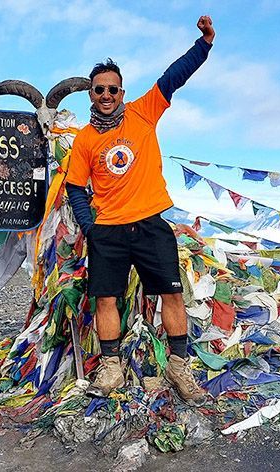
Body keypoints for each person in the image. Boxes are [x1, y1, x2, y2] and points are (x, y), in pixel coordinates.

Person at [65, 16, 215, 405]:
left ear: (121, 91)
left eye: (113, 88)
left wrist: (204, 45)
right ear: (91, 95)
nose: (106, 94)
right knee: (105, 299)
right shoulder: (83, 140)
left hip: (150, 224)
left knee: (172, 295)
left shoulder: (143, 111)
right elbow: (75, 188)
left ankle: (179, 369)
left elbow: (173, 77)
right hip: (108, 232)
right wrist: (90, 227)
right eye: (99, 89)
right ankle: (112, 368)